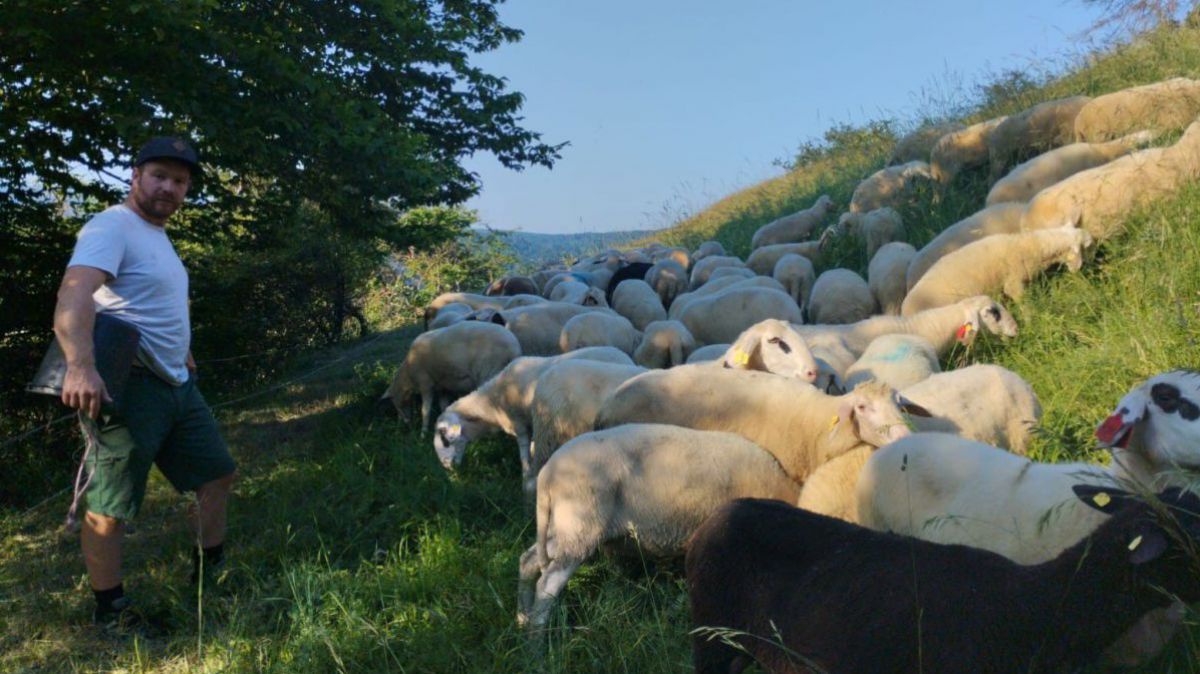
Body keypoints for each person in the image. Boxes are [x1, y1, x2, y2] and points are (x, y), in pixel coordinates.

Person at [53, 136, 237, 630]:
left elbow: (148, 303)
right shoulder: (112, 226)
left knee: (217, 474)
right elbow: (75, 296)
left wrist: (184, 352)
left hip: (177, 383)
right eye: (158, 176)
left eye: (179, 181)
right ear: (135, 177)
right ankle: (110, 610)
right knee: (110, 504)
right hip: (130, 387)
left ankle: (209, 573)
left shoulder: (156, 235)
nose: (169, 188)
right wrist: (80, 366)